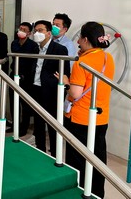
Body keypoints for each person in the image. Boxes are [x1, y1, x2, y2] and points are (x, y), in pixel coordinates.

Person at [61, 21, 115, 198]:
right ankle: (97, 194)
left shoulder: (81, 62)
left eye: (80, 40)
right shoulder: (108, 58)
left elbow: (75, 93)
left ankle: (79, 193)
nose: (78, 43)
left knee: (78, 161)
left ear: (84, 39)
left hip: (80, 119)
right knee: (97, 159)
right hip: (101, 117)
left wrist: (66, 82)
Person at [30, 20, 70, 157]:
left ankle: (55, 153)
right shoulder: (35, 48)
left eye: (40, 30)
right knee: (38, 123)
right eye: (35, 30)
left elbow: (65, 74)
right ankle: (40, 150)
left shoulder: (59, 49)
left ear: (48, 33)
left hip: (51, 92)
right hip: (36, 89)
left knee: (53, 125)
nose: (37, 33)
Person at [8, 22, 39, 136]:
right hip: (14, 74)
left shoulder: (33, 45)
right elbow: (17, 55)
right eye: (20, 28)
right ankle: (14, 124)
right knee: (13, 102)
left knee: (24, 104)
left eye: (24, 30)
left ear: (29, 33)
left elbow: (30, 62)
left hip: (26, 78)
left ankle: (24, 127)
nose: (21, 31)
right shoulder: (14, 43)